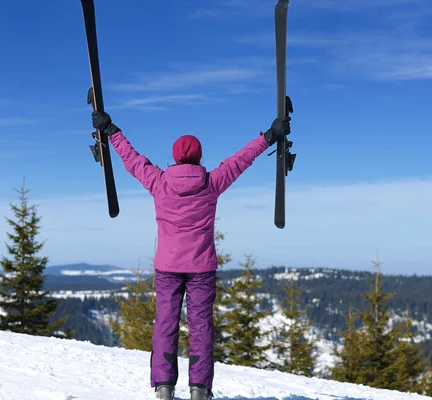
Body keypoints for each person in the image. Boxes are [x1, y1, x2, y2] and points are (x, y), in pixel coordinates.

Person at [90, 108, 291, 400]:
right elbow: (240, 160)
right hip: (201, 269)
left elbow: (132, 160)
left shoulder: (159, 182)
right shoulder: (211, 183)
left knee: (165, 324)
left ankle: (164, 387)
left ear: (174, 156)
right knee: (201, 327)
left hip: (168, 268)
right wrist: (270, 136)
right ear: (199, 157)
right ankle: (199, 389)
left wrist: (111, 130)